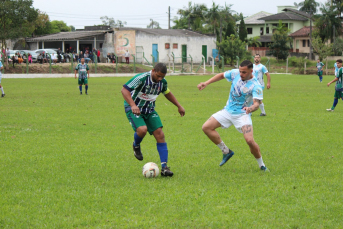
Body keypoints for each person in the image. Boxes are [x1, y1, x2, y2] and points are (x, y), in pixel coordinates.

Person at [197, 60, 269, 172]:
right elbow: (221, 75)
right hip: (227, 111)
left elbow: (256, 103)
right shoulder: (235, 73)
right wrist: (206, 83)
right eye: (240, 71)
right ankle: (226, 151)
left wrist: (250, 108)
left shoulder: (256, 85)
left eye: (244, 72)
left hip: (242, 114)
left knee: (249, 140)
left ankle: (262, 165)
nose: (241, 74)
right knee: (206, 127)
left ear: (251, 71)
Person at [121, 63, 185, 177]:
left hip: (149, 110)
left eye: (162, 77)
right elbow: (124, 90)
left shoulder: (162, 82)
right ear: (153, 70)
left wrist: (179, 106)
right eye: (158, 76)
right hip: (134, 108)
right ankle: (136, 145)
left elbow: (167, 93)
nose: (160, 79)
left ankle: (164, 167)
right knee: (142, 130)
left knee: (160, 134)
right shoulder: (141, 78)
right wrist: (133, 105)